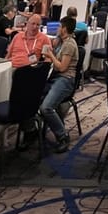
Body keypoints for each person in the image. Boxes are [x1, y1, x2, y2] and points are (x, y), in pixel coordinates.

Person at [40, 16, 78, 153]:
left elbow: (62, 67)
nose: (57, 29)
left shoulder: (69, 44)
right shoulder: (62, 42)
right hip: (56, 77)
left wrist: (51, 55)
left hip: (65, 79)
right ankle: (32, 131)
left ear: (64, 29)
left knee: (46, 108)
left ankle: (63, 136)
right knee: (33, 95)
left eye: (59, 27)